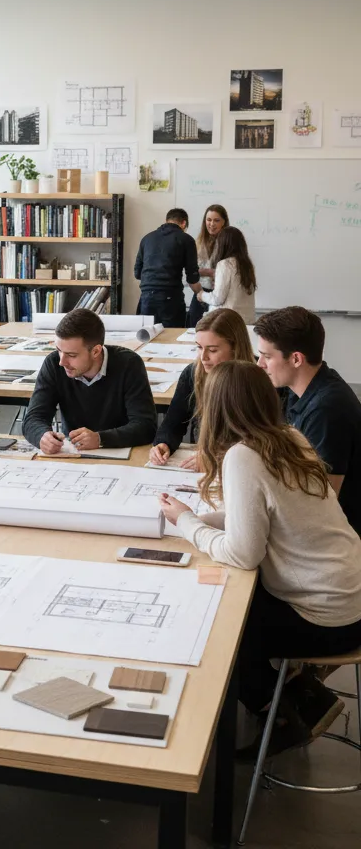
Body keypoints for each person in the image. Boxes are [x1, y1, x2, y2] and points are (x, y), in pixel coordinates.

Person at [160, 362, 361, 756]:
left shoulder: (243, 455)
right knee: (230, 605)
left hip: (327, 618)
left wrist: (186, 522)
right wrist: (198, 520)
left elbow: (243, 552)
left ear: (216, 409)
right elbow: (262, 518)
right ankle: (298, 695)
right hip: (351, 598)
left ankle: (285, 710)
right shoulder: (288, 437)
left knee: (216, 625)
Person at [255, 306, 361, 533]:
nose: (260, 365)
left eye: (267, 356)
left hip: (337, 538)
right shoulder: (302, 389)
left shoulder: (327, 410)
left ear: (295, 359)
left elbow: (322, 499)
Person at [22, 308, 156, 454]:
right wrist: (42, 436)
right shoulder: (54, 363)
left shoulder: (129, 364)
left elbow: (146, 426)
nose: (62, 361)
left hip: (122, 451)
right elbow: (33, 418)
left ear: (96, 351)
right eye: (59, 350)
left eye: (71, 355)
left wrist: (100, 439)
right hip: (74, 453)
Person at [149, 308, 255, 469]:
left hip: (241, 467)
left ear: (235, 348)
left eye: (212, 350)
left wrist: (218, 458)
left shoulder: (257, 380)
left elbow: (261, 441)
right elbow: (173, 423)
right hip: (200, 465)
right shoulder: (193, 373)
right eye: (199, 347)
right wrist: (164, 443)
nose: (203, 357)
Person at [133, 208, 203, 328]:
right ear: (184, 223)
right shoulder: (186, 239)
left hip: (146, 298)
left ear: (166, 221)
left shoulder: (147, 238)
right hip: (170, 299)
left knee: (147, 338)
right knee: (172, 338)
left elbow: (137, 273)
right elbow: (192, 277)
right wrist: (201, 295)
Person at [197, 225, 257, 323]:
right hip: (247, 321)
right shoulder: (247, 265)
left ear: (222, 244)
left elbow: (218, 299)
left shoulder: (225, 264)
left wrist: (201, 295)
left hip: (228, 323)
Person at [187, 204, 229, 328]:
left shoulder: (228, 243)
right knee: (193, 326)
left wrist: (211, 272)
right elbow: (191, 269)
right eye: (209, 220)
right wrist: (206, 272)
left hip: (220, 294)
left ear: (224, 222)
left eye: (216, 220)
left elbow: (230, 270)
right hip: (200, 292)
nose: (212, 224)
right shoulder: (198, 242)